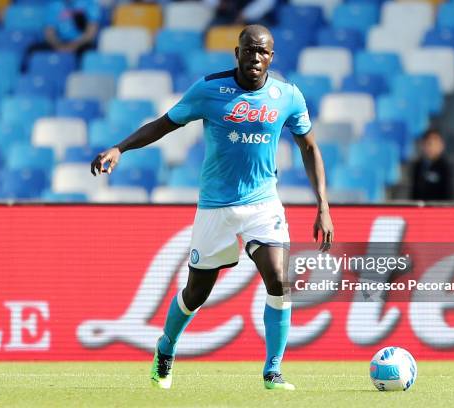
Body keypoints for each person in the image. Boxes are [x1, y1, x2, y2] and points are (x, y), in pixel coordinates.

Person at [91, 25, 333, 391]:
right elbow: (163, 124)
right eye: (248, 50)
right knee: (196, 293)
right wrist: (120, 148)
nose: (255, 58)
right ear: (236, 53)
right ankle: (166, 348)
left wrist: (323, 206)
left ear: (272, 57)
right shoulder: (209, 89)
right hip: (216, 207)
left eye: (262, 52)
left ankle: (273, 370)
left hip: (263, 204)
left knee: (280, 282)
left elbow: (310, 148)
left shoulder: (287, 96)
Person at [25, 0, 100, 64]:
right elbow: (49, 32)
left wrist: (73, 46)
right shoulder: (53, 5)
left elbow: (91, 33)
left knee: (88, 52)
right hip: (59, 43)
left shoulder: (89, 3)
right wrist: (59, 46)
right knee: (33, 50)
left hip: (81, 44)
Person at [410, 128, 453, 201]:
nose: (431, 147)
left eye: (435, 143)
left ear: (441, 146)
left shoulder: (444, 166)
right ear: (423, 145)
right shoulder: (418, 166)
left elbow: (448, 193)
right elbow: (414, 192)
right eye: (429, 143)